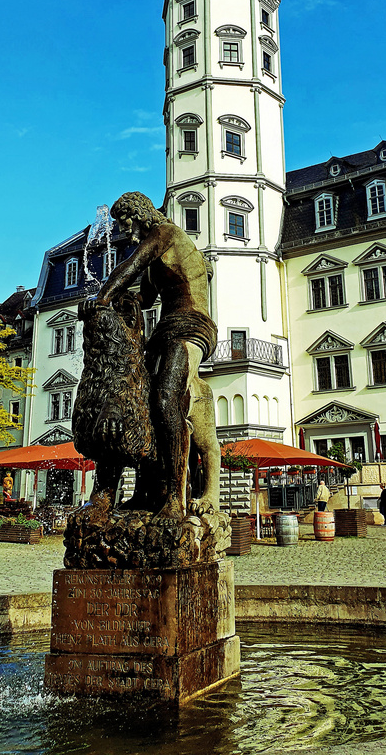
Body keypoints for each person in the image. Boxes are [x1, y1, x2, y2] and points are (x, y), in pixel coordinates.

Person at [96, 191, 219, 523]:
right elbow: (144, 297)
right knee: (136, 398)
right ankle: (145, 489)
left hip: (192, 326)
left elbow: (130, 266)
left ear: (139, 215)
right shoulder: (155, 258)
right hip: (165, 330)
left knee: (166, 398)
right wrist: (119, 305)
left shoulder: (164, 233)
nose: (125, 232)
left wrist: (103, 297)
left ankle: (177, 496)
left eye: (126, 224)